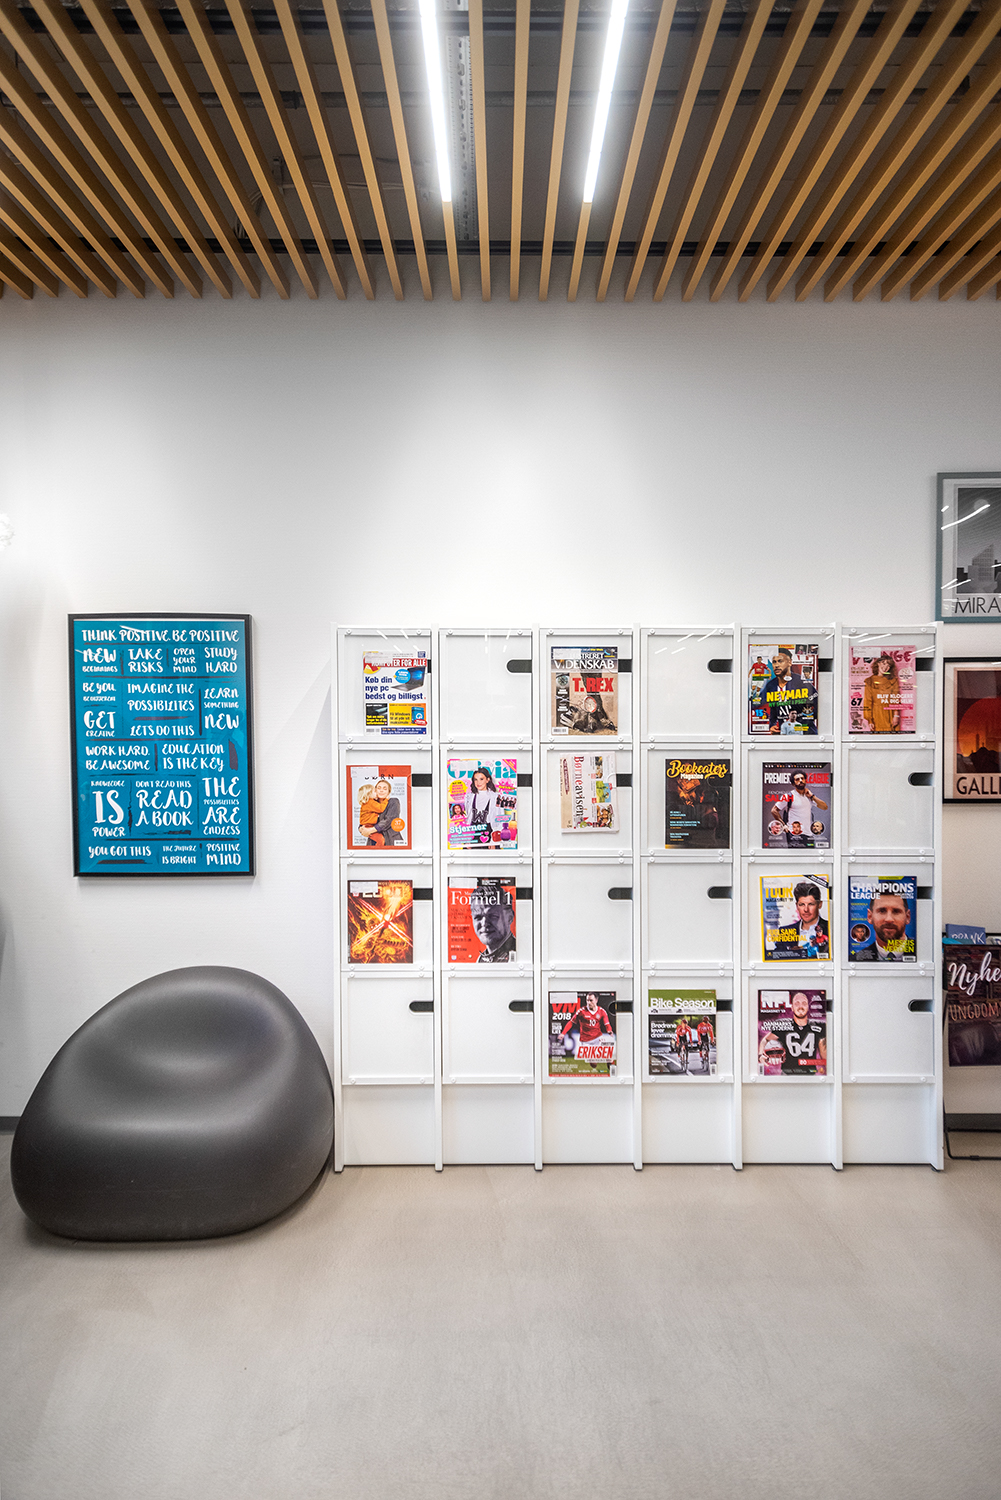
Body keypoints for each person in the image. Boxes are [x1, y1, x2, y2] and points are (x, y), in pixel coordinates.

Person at [758, 991, 827, 1075]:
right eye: (797, 1003)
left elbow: (825, 1055)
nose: (801, 1006)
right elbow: (765, 1040)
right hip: (787, 1074)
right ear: (792, 1007)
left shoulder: (819, 1026)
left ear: (808, 1007)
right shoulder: (783, 1025)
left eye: (804, 1003)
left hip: (809, 1075)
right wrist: (761, 1055)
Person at [762, 648, 817, 734]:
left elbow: (818, 704)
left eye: (780, 661)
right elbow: (773, 708)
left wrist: (805, 722)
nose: (776, 665)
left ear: (790, 662)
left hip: (806, 735)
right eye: (774, 662)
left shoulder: (801, 682)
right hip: (785, 734)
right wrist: (772, 725)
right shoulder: (771, 685)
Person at [773, 880, 829, 958]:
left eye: (811, 904)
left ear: (819, 904)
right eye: (802, 904)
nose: (806, 909)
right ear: (797, 906)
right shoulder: (784, 932)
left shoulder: (831, 928)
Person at [771, 770, 828, 845]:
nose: (800, 780)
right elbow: (774, 810)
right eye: (797, 779)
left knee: (811, 852)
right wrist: (783, 825)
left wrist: (812, 796)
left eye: (802, 778)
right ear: (793, 783)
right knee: (796, 853)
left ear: (805, 780)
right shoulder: (788, 796)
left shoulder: (809, 796)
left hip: (809, 834)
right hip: (794, 835)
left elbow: (824, 807)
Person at [853, 889, 913, 960]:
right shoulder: (855, 959)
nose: (889, 919)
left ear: (907, 917)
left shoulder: (922, 952)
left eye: (896, 911)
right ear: (870, 917)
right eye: (882, 911)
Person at [469, 884, 516, 963]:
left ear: (510, 917)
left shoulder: (519, 954)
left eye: (492, 916)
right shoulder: (481, 960)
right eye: (478, 917)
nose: (484, 923)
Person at [357, 778, 403, 847]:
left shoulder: (393, 801)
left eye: (385, 789)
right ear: (375, 791)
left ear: (388, 792)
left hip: (390, 839)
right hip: (374, 841)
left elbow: (388, 820)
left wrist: (370, 830)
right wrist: (361, 829)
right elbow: (365, 819)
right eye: (379, 788)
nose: (381, 790)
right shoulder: (370, 803)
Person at [863, 653, 902, 733]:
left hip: (891, 713)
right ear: (878, 663)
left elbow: (896, 699)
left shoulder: (893, 680)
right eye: (883, 663)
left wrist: (896, 716)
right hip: (876, 715)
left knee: (893, 738)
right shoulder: (870, 681)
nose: (885, 667)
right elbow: (867, 702)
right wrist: (870, 720)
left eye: (888, 665)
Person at [462, 767, 503, 845]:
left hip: (490, 833)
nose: (478, 782)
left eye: (481, 779)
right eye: (475, 779)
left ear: (487, 780)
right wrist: (467, 839)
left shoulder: (496, 797)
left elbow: (500, 821)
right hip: (473, 833)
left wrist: (494, 841)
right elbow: (468, 818)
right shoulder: (469, 797)